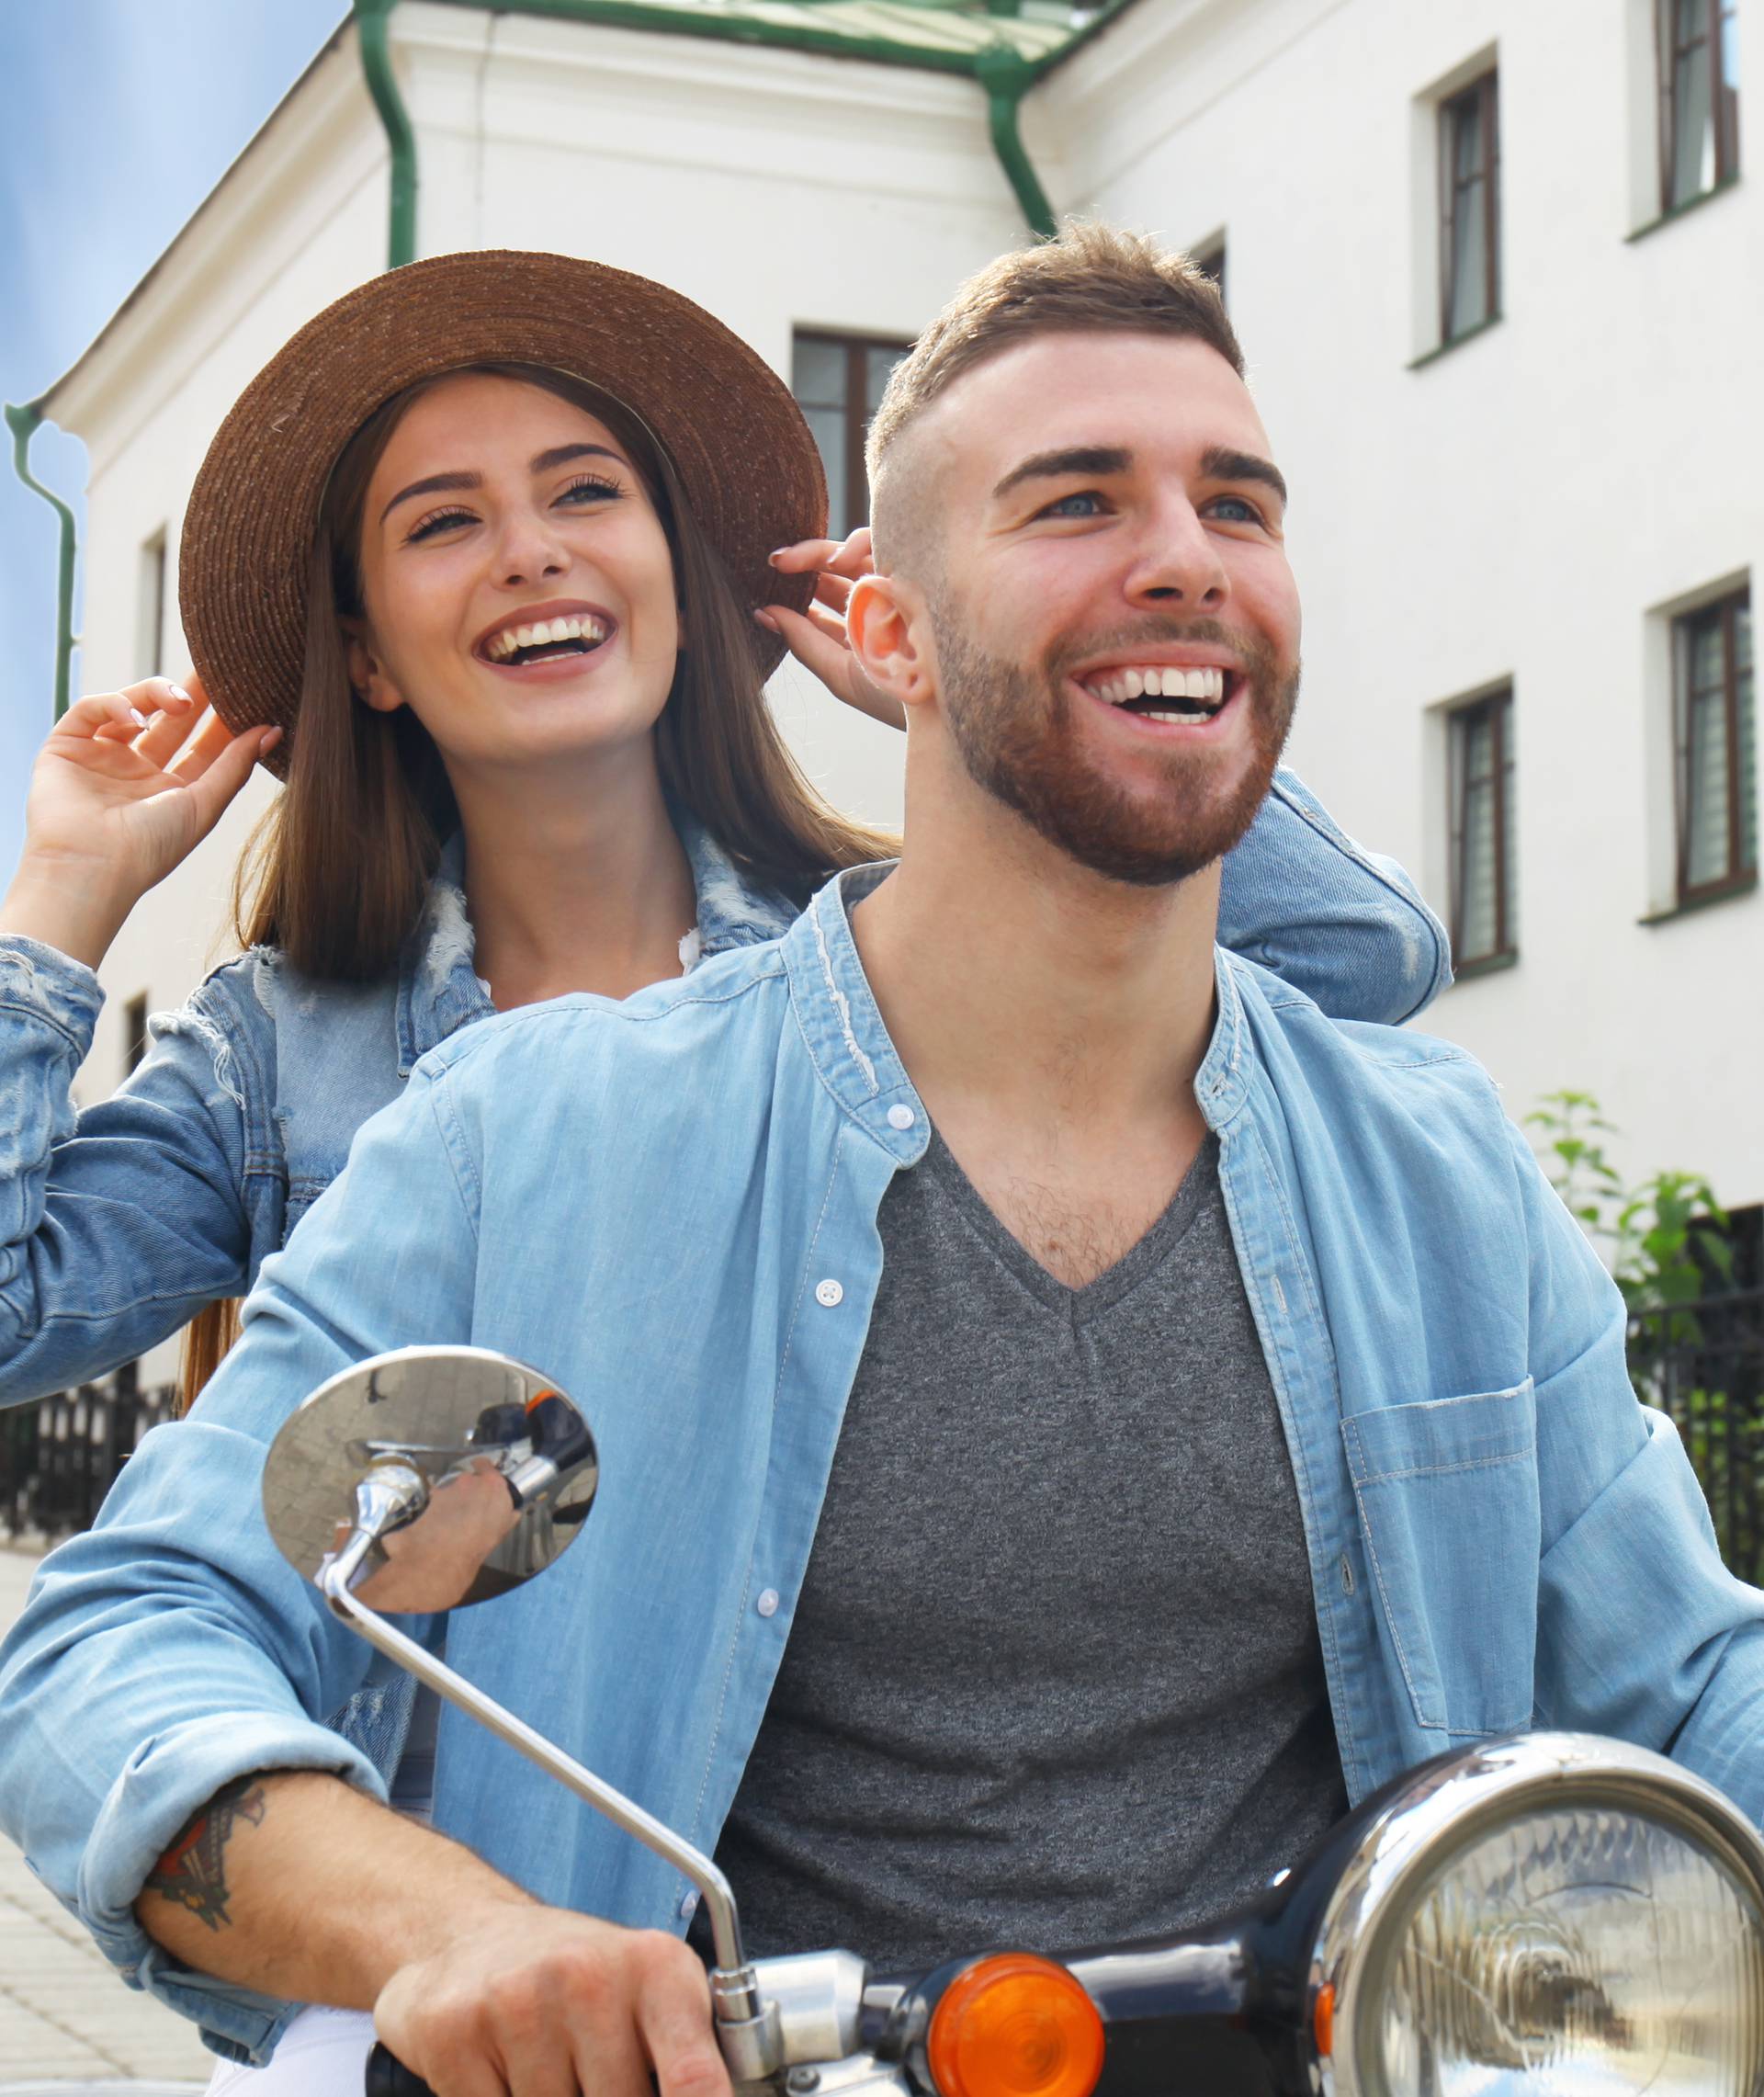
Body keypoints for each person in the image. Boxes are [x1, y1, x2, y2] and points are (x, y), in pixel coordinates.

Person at [19, 224, 1745, 2097]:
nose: (1182, 552)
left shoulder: (1438, 1176)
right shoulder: (512, 1129)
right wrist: (445, 1928)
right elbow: (122, 1640)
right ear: (891, 627)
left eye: (1240, 504)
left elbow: (1689, 1697)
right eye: (1076, 501)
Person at [0, 254, 1442, 1432]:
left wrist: (968, 694)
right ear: (367, 657)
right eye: (445, 522)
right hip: (421, 1784)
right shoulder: (277, 1050)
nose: (531, 550)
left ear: (677, 586)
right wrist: (61, 900)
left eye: (585, 492)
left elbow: (1352, 961)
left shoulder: (888, 944)